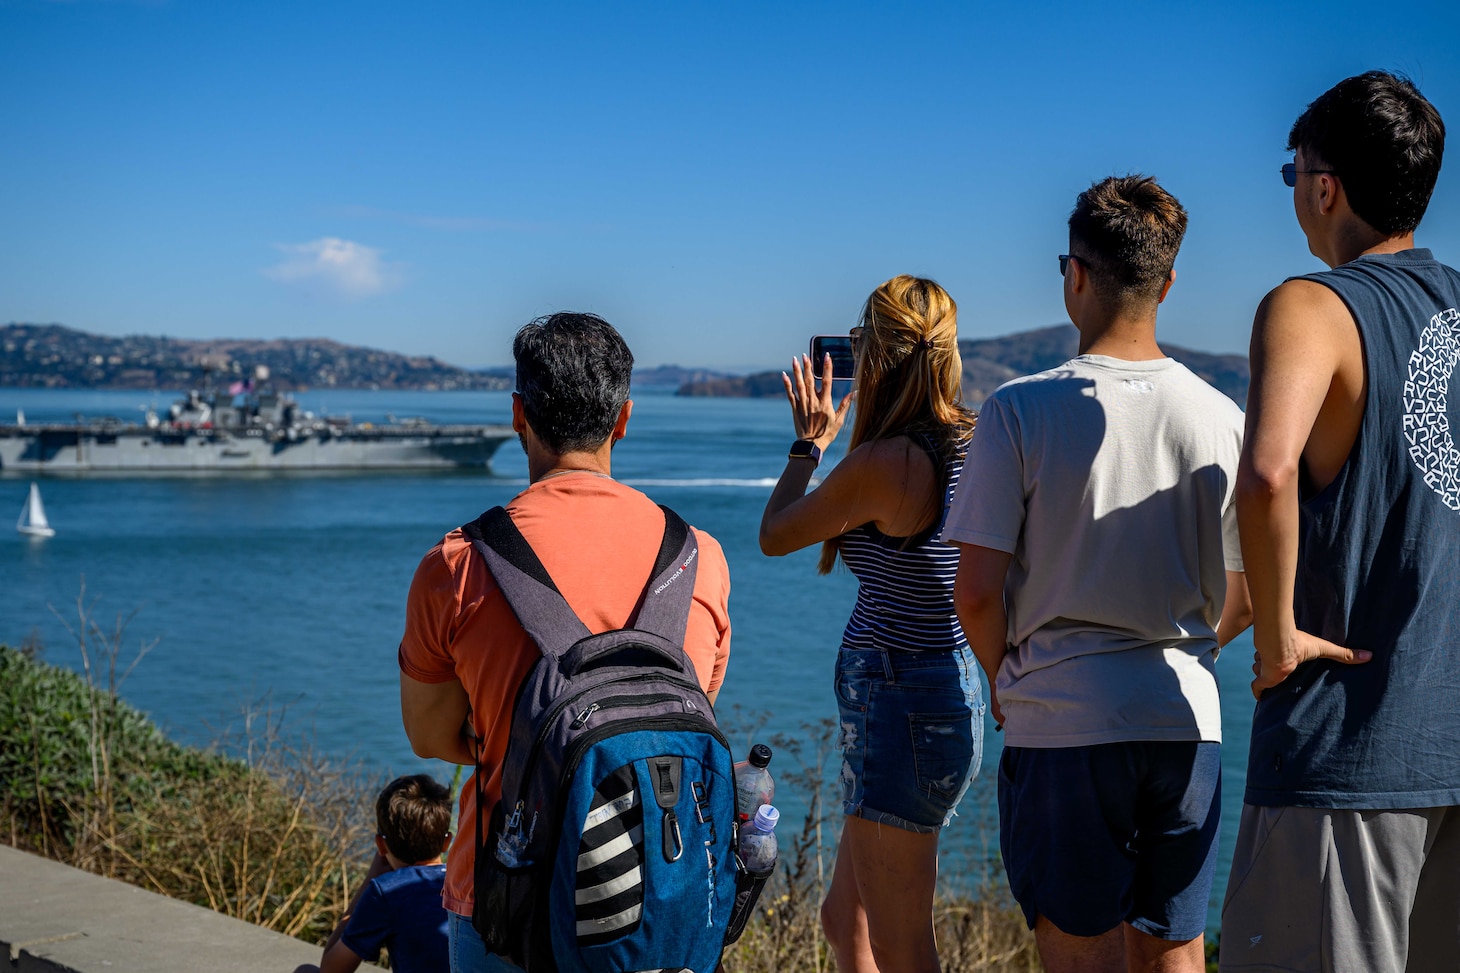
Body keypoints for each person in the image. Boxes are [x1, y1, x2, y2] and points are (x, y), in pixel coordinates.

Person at [949, 176, 1252, 973]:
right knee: (1177, 947)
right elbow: (1246, 593)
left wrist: (1006, 677)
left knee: (1077, 946)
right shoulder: (1225, 418)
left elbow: (976, 591)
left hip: (1064, 718)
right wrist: (1188, 648)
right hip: (1187, 718)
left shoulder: (1017, 411)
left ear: (1074, 274)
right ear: (1171, 282)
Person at [397, 312, 733, 973]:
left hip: (508, 907)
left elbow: (431, 735)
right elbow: (681, 711)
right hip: (665, 903)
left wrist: (513, 730)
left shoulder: (459, 563)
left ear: (517, 414)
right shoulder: (701, 557)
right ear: (625, 418)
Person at [1220, 72, 1457, 973]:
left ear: (1325, 188)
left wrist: (1275, 637)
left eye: (1293, 174)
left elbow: (1270, 468)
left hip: (1349, 754)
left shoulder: (1313, 306)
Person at [759, 275, 983, 973]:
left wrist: (809, 445)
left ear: (879, 355)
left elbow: (776, 533)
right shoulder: (976, 439)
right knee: (842, 918)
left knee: (899, 943)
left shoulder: (887, 464)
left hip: (903, 715)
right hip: (942, 697)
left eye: (859, 341)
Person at [293, 774, 454, 973]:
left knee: (306, 971)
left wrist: (370, 880)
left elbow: (331, 969)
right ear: (447, 842)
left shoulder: (388, 892)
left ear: (380, 844)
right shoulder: (467, 882)